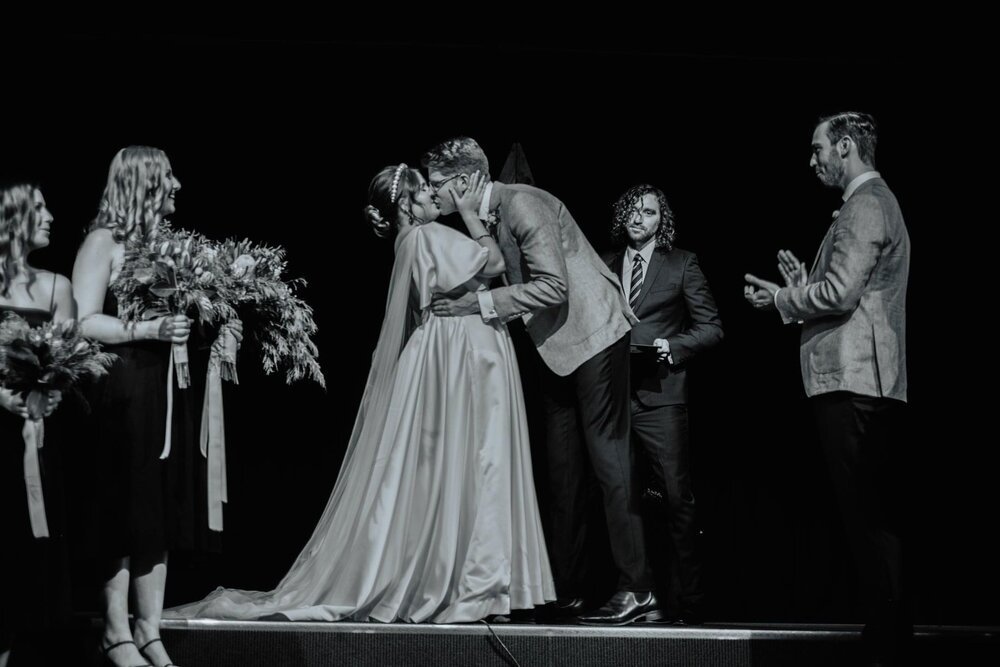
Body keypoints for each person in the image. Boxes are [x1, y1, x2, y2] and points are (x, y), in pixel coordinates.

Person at [166, 163, 554, 624]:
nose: (434, 197)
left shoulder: (407, 241)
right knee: (475, 458)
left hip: (439, 353)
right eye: (425, 192)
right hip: (459, 354)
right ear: (407, 204)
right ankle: (472, 583)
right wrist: (471, 215)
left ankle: (454, 576)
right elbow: (492, 264)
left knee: (448, 465)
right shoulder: (428, 236)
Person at [424, 137, 659, 625]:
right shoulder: (483, 215)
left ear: (466, 180)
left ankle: (638, 589)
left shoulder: (524, 202)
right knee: (562, 473)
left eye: (438, 184)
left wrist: (478, 305)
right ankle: (566, 589)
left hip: (594, 336)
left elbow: (553, 286)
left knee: (609, 464)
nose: (433, 193)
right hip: (555, 349)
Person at [744, 111, 911, 664]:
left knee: (869, 514)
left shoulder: (865, 204)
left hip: (857, 379)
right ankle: (886, 626)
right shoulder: (868, 204)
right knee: (867, 513)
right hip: (860, 377)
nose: (811, 160)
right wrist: (799, 290)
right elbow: (844, 292)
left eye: (818, 149)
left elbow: (840, 295)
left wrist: (781, 301)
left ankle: (888, 633)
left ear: (845, 147)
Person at [73, 146, 203, 667]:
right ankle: (114, 631)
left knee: (158, 508)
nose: (177, 184)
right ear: (145, 182)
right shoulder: (103, 241)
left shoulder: (171, 245)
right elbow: (82, 320)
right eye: (167, 175)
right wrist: (146, 328)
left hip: (167, 386)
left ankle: (150, 629)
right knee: (124, 506)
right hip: (123, 385)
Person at [604, 184, 722, 625]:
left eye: (649, 212)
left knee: (675, 499)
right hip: (611, 398)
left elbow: (711, 328)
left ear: (661, 221)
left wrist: (669, 346)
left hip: (661, 396)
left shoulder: (682, 263)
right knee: (623, 499)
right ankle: (638, 595)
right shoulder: (603, 264)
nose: (639, 218)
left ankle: (688, 602)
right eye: (632, 210)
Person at [0, 183, 76, 667]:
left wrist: (48, 393)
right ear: (14, 218)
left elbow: (70, 359)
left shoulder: (57, 286)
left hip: (36, 434)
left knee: (27, 551)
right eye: (40, 207)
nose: (50, 215)